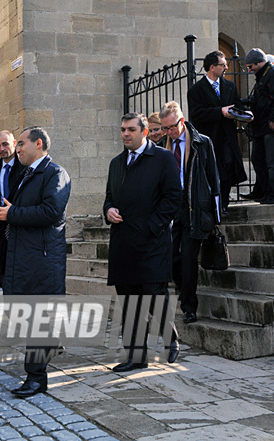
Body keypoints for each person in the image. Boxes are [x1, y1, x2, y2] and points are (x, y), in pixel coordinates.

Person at [0, 126, 71, 397]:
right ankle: (51, 345)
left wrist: (12, 213)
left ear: (38, 144)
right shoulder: (28, 174)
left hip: (42, 260)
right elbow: (13, 212)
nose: (17, 149)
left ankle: (36, 378)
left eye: (21, 143)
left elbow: (52, 212)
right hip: (22, 257)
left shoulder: (55, 173)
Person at [103, 113, 182, 372]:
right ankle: (136, 357)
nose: (125, 134)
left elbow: (172, 198)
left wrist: (152, 226)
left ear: (144, 132)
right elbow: (109, 197)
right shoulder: (116, 163)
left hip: (152, 243)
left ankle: (171, 339)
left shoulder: (163, 159)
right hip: (124, 243)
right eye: (123, 130)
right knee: (129, 303)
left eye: (131, 130)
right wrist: (109, 211)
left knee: (154, 295)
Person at [159, 102, 221, 325]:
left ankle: (188, 307)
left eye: (172, 127)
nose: (169, 132)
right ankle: (183, 289)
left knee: (188, 259)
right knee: (172, 257)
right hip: (170, 208)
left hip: (194, 206)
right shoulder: (161, 147)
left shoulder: (201, 143)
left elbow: (213, 178)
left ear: (181, 121)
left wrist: (216, 215)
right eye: (165, 128)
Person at [187, 51, 248, 215]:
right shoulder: (196, 90)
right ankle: (215, 206)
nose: (226, 67)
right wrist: (219, 111)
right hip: (210, 137)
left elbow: (238, 105)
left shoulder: (229, 86)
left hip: (228, 137)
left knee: (228, 169)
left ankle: (224, 205)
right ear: (212, 67)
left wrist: (244, 114)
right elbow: (196, 114)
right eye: (223, 65)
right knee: (213, 173)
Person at [244, 48, 274, 204]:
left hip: (268, 127)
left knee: (270, 162)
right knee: (257, 159)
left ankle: (271, 195)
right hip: (260, 127)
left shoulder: (271, 74)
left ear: (260, 62)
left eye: (251, 66)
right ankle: (264, 192)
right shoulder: (261, 76)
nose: (249, 70)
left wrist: (272, 119)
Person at [0, 130, 25, 206]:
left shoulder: (24, 167)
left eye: (5, 144)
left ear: (14, 143)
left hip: (19, 213)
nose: (1, 149)